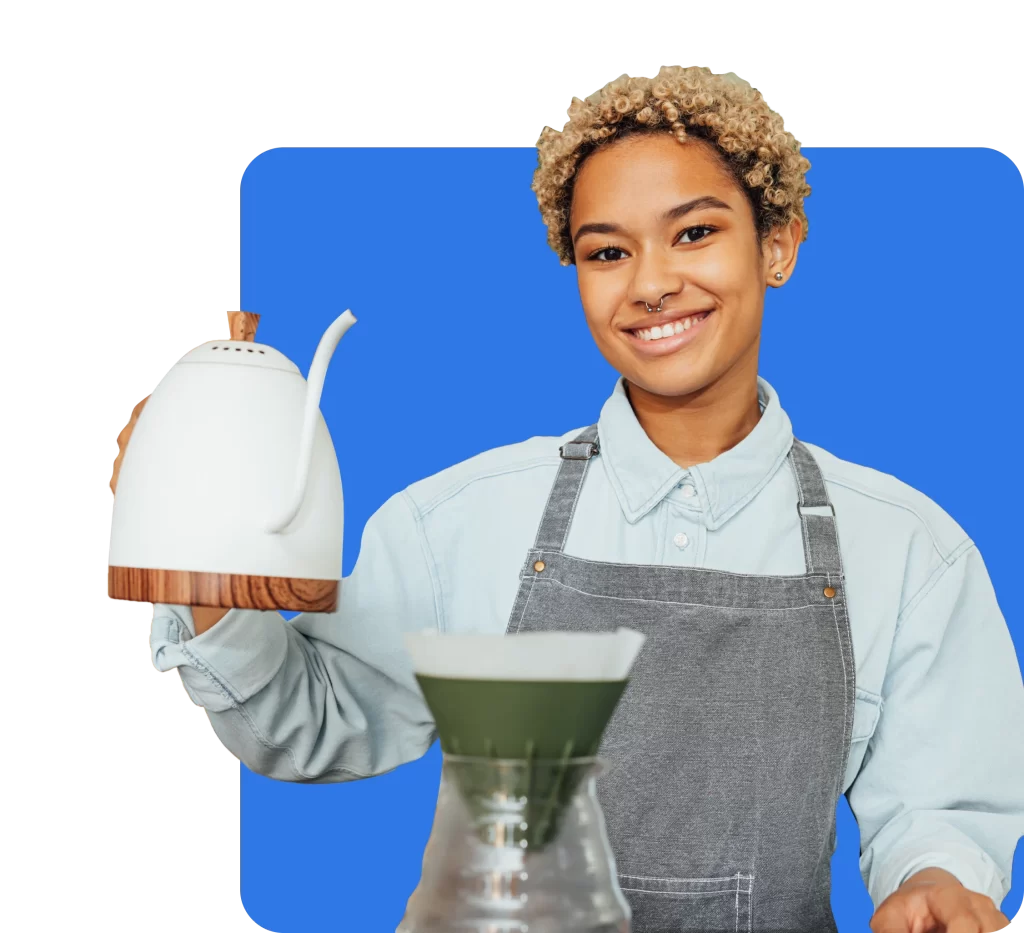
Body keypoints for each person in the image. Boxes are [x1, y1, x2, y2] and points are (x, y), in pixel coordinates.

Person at [110, 67, 1022, 932]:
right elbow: (312, 721)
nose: (652, 282)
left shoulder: (909, 549)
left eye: (695, 233)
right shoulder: (459, 521)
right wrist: (199, 553)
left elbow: (940, 809)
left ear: (777, 243)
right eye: (607, 251)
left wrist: (935, 881)